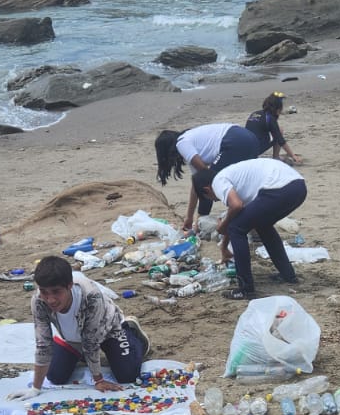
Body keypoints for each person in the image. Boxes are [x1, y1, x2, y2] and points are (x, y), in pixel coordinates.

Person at [18, 255, 148, 396]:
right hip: (74, 337)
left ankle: (133, 335)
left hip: (109, 329)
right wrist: (35, 389)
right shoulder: (38, 301)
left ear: (69, 286)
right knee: (56, 376)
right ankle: (76, 352)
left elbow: (90, 341)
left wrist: (98, 380)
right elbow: (43, 343)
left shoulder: (91, 296)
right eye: (44, 292)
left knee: (127, 375)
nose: (50, 299)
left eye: (56, 292)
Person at [194, 158, 306, 301]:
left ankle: (245, 289)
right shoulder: (237, 181)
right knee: (262, 225)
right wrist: (224, 247)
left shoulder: (218, 181)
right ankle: (288, 274)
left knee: (236, 228)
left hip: (278, 188)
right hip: (298, 187)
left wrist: (223, 225)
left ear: (207, 189)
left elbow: (236, 207)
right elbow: (238, 216)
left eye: (212, 198)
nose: (216, 200)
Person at [155, 122, 261, 232]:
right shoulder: (191, 139)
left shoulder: (182, 143)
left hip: (234, 141)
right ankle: (252, 223)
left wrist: (200, 220)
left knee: (212, 182)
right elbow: (196, 185)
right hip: (250, 139)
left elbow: (206, 179)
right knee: (241, 183)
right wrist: (189, 217)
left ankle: (237, 224)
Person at [244, 93, 301, 164]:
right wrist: (293, 155)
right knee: (280, 130)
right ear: (277, 109)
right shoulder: (270, 118)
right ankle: (276, 157)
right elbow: (280, 140)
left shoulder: (255, 113)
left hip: (245, 148)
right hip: (254, 150)